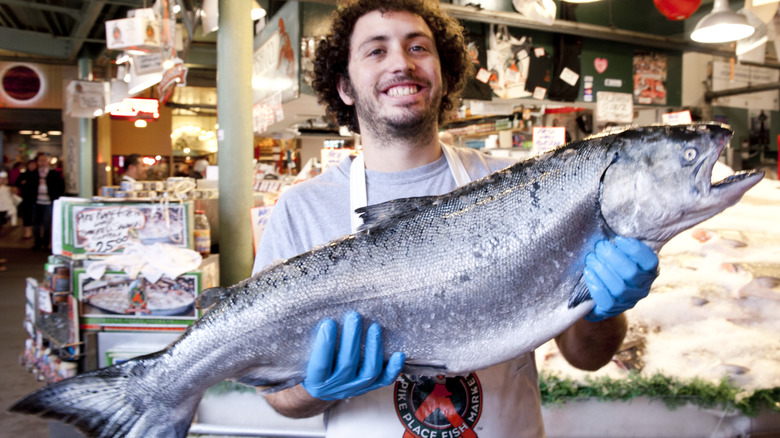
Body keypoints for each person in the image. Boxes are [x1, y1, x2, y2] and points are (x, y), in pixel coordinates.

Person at [252, 1, 659, 436]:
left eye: (418, 47)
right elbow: (277, 393)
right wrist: (316, 390)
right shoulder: (302, 210)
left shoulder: (521, 184)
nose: (402, 63)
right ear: (345, 87)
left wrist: (603, 311)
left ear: (443, 73)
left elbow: (587, 357)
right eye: (376, 51)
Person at [19, 153, 64, 250]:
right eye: (40, 160)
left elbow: (60, 186)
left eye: (44, 160)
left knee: (47, 223)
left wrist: (56, 197)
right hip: (36, 202)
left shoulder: (53, 174)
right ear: (38, 162)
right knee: (36, 224)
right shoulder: (33, 174)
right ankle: (37, 243)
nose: (43, 162)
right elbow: (26, 186)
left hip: (48, 202)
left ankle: (46, 243)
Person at [16, 158, 38, 239]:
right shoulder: (24, 174)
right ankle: (28, 231)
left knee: (36, 215)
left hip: (36, 198)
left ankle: (36, 230)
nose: (32, 166)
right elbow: (17, 183)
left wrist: (25, 183)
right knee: (27, 215)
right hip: (26, 198)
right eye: (30, 164)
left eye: (33, 165)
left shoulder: (38, 175)